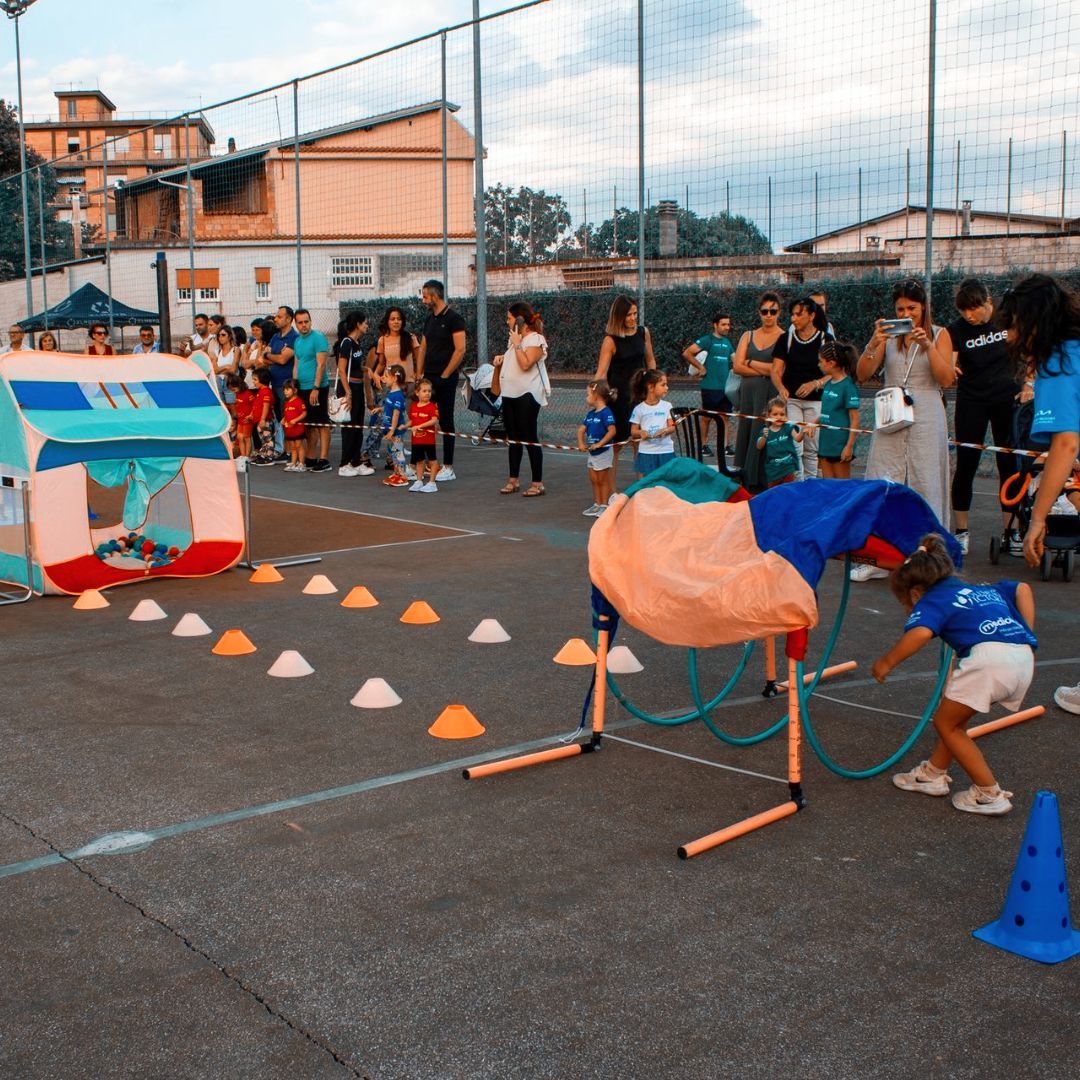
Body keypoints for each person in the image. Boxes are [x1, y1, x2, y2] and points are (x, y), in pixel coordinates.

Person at [873, 533, 1036, 816]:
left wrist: (887, 662)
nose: (908, 609)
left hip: (988, 662)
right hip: (1021, 656)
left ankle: (989, 793)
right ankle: (933, 774)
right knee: (956, 720)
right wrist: (1026, 634)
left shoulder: (932, 599)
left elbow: (921, 632)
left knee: (946, 724)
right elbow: (1022, 589)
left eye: (906, 604)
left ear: (915, 593)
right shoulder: (980, 589)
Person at [998, 274, 1080, 716]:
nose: (1009, 335)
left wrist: (1037, 518)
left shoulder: (1060, 362)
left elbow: (1065, 445)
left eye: (1012, 324)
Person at [854, 279, 953, 581]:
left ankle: (932, 558)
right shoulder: (889, 336)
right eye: (901, 308)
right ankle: (878, 557)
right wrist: (874, 343)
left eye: (912, 307)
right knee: (883, 478)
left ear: (924, 308)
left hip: (926, 411)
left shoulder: (939, 334)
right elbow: (862, 374)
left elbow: (946, 378)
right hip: (892, 410)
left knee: (926, 481)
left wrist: (928, 346)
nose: (907, 313)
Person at [938, 277, 1030, 556]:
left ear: (988, 303)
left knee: (1009, 466)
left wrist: (1028, 385)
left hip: (1007, 400)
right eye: (963, 311)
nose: (968, 315)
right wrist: (951, 370)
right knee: (966, 464)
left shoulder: (1008, 319)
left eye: (973, 309)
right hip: (972, 402)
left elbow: (1028, 354)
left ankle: (1010, 531)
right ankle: (961, 532)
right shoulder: (956, 331)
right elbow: (948, 365)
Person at [594, 295, 657, 491]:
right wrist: (597, 399)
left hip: (639, 397)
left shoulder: (643, 332)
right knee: (616, 446)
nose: (632, 318)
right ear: (619, 316)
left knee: (640, 444)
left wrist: (652, 386)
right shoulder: (610, 340)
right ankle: (613, 495)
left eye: (635, 313)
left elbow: (651, 361)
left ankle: (642, 490)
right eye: (628, 315)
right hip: (617, 399)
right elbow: (601, 373)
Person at [490, 301, 549, 497]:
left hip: (528, 395)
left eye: (509, 318)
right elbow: (498, 383)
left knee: (529, 437)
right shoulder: (513, 343)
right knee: (513, 438)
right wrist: (499, 363)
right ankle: (513, 480)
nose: (507, 322)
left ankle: (537, 483)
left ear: (520, 319)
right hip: (509, 395)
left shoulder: (535, 339)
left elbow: (525, 364)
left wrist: (516, 344)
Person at [771, 296, 831, 480]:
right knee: (796, 445)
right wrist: (780, 387)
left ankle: (811, 485)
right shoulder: (785, 339)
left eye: (799, 314)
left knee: (812, 447)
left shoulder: (824, 339)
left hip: (816, 401)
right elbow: (776, 370)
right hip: (792, 401)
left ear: (811, 316)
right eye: (792, 314)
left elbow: (834, 372)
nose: (793, 318)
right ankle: (798, 485)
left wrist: (816, 383)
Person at [731, 291, 784, 491]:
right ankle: (746, 477)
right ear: (759, 313)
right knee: (747, 430)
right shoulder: (748, 335)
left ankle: (764, 479)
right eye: (764, 311)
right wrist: (766, 370)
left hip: (770, 395)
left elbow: (778, 370)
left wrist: (751, 363)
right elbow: (737, 366)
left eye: (773, 311)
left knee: (765, 431)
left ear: (779, 312)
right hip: (748, 395)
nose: (768, 315)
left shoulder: (783, 337)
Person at [415, 280, 466, 482]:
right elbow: (423, 348)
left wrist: (445, 375)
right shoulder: (429, 320)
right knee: (424, 419)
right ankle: (429, 463)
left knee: (445, 420)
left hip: (445, 378)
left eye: (425, 296)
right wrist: (420, 374)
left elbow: (460, 349)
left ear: (435, 296)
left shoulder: (454, 319)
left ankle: (448, 466)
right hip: (428, 377)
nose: (423, 300)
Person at [682, 312, 733, 465]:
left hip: (725, 388)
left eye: (728, 324)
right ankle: (703, 445)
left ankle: (725, 446)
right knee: (707, 418)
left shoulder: (728, 343)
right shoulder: (707, 340)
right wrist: (700, 367)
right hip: (710, 387)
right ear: (715, 325)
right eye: (723, 324)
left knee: (725, 417)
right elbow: (687, 353)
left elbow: (736, 361)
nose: (726, 327)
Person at [293, 308, 331, 472]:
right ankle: (311, 457)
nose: (304, 325)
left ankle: (324, 459)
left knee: (321, 423)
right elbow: (296, 364)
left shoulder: (318, 339)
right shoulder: (297, 341)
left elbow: (321, 365)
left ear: (311, 322)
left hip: (318, 388)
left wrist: (316, 388)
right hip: (302, 387)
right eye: (300, 322)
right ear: (296, 324)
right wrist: (294, 386)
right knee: (309, 424)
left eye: (306, 322)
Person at [336, 311, 375, 477]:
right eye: (365, 323)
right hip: (349, 387)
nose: (367, 325)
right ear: (358, 324)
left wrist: (369, 370)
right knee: (349, 428)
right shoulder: (346, 343)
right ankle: (344, 464)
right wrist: (348, 393)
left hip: (358, 387)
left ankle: (356, 461)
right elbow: (342, 370)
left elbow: (357, 367)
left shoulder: (357, 343)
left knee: (358, 426)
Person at [816, 340, 861, 480]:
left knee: (842, 488)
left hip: (839, 446)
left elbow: (855, 418)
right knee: (827, 487)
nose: (819, 364)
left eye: (821, 361)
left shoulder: (848, 386)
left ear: (831, 363)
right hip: (824, 444)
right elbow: (826, 412)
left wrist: (849, 446)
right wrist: (812, 424)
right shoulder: (828, 384)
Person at [578, 379, 617, 516]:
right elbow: (581, 430)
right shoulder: (590, 414)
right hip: (592, 453)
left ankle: (604, 505)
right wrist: (582, 444)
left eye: (588, 394)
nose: (586, 397)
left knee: (602, 479)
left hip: (603, 452)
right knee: (594, 479)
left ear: (596, 395)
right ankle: (596, 504)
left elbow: (612, 431)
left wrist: (600, 444)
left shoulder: (606, 413)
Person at [629, 369, 676, 479]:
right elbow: (633, 431)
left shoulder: (667, 406)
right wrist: (641, 432)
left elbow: (672, 427)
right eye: (663, 385)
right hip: (647, 452)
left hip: (666, 451)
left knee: (666, 482)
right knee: (648, 482)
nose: (667, 388)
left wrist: (665, 430)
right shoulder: (639, 409)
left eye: (666, 384)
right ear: (650, 387)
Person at [266, 306, 298, 460]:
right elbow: (263, 356)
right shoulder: (275, 337)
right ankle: (284, 449)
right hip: (273, 383)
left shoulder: (293, 337)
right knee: (279, 418)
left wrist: (270, 355)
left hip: (285, 385)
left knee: (288, 417)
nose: (276, 319)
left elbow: (283, 359)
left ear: (289, 319)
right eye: (276, 316)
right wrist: (272, 355)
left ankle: (291, 451)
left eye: (279, 316)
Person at [755, 397, 804, 487]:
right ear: (768, 415)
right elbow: (759, 446)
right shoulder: (765, 430)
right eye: (775, 414)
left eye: (782, 414)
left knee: (788, 492)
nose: (779, 417)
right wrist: (764, 437)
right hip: (773, 470)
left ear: (786, 416)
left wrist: (803, 431)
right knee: (774, 494)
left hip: (788, 468)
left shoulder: (788, 427)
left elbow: (798, 438)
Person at [406, 378, 440, 493]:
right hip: (416, 440)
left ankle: (432, 483)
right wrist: (404, 426)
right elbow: (412, 421)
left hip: (429, 440)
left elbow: (434, 420)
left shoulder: (432, 406)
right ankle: (419, 481)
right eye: (424, 391)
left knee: (432, 461)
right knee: (419, 461)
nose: (427, 394)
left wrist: (420, 426)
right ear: (417, 392)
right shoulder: (414, 406)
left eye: (429, 391)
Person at [379, 364, 409, 487]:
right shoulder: (391, 393)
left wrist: (392, 430)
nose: (383, 378)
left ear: (395, 378)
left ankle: (402, 476)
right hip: (390, 431)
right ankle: (397, 473)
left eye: (386, 376)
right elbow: (389, 408)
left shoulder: (398, 396)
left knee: (398, 452)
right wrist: (380, 409)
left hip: (396, 432)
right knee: (393, 452)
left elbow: (396, 415)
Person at [249, 368, 276, 466]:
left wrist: (263, 419)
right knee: (263, 440)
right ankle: (264, 455)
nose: (253, 382)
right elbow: (256, 405)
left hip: (265, 421)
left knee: (268, 439)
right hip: (259, 421)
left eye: (255, 379)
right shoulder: (260, 391)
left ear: (262, 379)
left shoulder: (266, 391)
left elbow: (266, 406)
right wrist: (251, 415)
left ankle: (269, 457)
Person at [281, 379, 308, 472]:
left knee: (299, 446)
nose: (285, 391)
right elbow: (287, 414)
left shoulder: (299, 401)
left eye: (288, 389)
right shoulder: (286, 402)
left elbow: (304, 413)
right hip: (289, 430)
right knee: (292, 447)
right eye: (284, 389)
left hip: (298, 429)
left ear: (295, 390)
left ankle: (301, 463)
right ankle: (293, 462)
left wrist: (295, 420)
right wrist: (283, 419)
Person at [213, 324, 240, 407]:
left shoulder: (235, 350)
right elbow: (215, 370)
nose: (220, 337)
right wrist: (226, 366)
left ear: (229, 336)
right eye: (219, 335)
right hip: (218, 380)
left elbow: (233, 370)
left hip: (230, 381)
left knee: (233, 406)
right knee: (222, 406)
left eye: (223, 335)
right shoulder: (217, 351)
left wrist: (220, 369)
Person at [232, 374, 255, 460]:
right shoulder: (237, 394)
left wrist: (251, 415)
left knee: (246, 438)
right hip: (240, 420)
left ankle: (247, 456)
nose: (233, 391)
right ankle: (243, 455)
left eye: (234, 389)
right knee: (240, 437)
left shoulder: (248, 393)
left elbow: (255, 405)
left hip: (247, 420)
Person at [244, 318, 272, 388]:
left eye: (257, 330)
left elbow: (257, 365)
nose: (254, 332)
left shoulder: (267, 345)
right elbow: (244, 364)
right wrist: (252, 363)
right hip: (250, 382)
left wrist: (259, 348)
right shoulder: (253, 343)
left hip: (261, 383)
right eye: (253, 330)